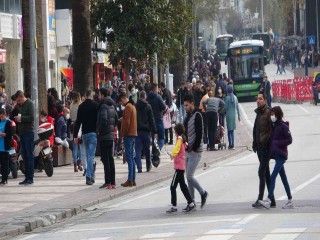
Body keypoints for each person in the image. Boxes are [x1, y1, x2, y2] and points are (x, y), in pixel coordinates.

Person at [259, 106, 294, 209]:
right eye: (271, 114)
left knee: (273, 175)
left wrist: (277, 143)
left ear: (278, 114)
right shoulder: (274, 126)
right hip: (276, 154)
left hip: (281, 155)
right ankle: (290, 200)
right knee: (283, 178)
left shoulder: (283, 126)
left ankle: (269, 199)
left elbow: (289, 140)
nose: (272, 116)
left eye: (273, 114)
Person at [183, 95, 208, 209]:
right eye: (184, 106)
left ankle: (203, 193)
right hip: (188, 150)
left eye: (187, 105)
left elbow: (199, 134)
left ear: (192, 104)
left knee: (189, 176)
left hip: (195, 151)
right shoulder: (187, 117)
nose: (185, 107)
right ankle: (191, 201)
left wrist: (194, 148)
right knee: (188, 177)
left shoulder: (198, 115)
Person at [252, 92, 276, 208]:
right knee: (266, 173)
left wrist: (266, 142)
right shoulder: (259, 113)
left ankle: (260, 199)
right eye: (257, 99)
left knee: (261, 172)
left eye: (260, 99)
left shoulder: (268, 112)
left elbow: (272, 131)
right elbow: (256, 129)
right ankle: (272, 199)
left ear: (265, 100)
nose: (258, 101)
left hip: (265, 148)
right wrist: (254, 143)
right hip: (259, 148)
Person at [166, 123, 195, 214]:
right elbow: (185, 147)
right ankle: (190, 203)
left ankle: (174, 206)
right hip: (182, 166)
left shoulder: (179, 139)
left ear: (177, 131)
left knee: (173, 186)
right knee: (183, 186)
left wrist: (172, 155)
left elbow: (177, 149)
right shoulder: (183, 139)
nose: (174, 133)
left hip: (179, 167)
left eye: (175, 131)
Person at [73, 89, 98, 185]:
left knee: (87, 155)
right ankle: (89, 176)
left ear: (85, 95)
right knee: (91, 155)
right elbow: (98, 120)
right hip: (93, 133)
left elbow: (78, 122)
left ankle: (90, 175)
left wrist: (75, 135)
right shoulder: (95, 106)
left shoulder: (81, 106)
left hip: (85, 133)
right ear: (91, 95)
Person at [97, 88, 118, 189]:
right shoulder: (112, 105)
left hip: (104, 136)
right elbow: (117, 119)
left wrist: (99, 130)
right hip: (111, 135)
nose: (98, 96)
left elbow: (104, 119)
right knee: (111, 159)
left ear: (102, 95)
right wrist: (112, 128)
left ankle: (108, 182)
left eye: (99, 94)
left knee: (105, 160)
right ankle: (113, 182)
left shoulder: (103, 106)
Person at [14, 90, 35, 185]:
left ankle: (30, 178)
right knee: (24, 156)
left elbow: (31, 117)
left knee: (29, 155)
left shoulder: (30, 104)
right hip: (22, 133)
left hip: (28, 132)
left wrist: (21, 118)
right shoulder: (21, 106)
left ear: (22, 97)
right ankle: (27, 177)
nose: (18, 103)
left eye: (19, 100)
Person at [119, 92, 137, 187]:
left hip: (128, 134)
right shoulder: (132, 106)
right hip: (133, 133)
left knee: (129, 157)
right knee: (132, 158)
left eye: (121, 102)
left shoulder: (128, 107)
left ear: (123, 99)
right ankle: (133, 179)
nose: (121, 104)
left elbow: (127, 122)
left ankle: (130, 179)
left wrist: (123, 133)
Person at [135, 91, 156, 173]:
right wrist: (155, 130)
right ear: (145, 97)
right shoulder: (148, 106)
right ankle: (148, 166)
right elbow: (151, 119)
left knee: (138, 150)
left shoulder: (135, 106)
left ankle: (139, 168)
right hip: (146, 131)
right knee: (147, 149)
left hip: (137, 130)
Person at [148, 83, 166, 150]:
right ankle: (157, 151)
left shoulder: (148, 97)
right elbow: (164, 107)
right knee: (161, 137)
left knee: (153, 137)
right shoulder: (158, 97)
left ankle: (154, 150)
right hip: (158, 118)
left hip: (150, 120)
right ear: (155, 88)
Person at [69, 91, 83, 172]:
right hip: (79, 125)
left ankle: (75, 165)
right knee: (80, 146)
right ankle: (80, 163)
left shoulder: (71, 105)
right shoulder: (80, 105)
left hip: (72, 125)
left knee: (74, 147)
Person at [225, 85, 240, 150]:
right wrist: (239, 116)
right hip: (234, 116)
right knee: (232, 131)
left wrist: (221, 112)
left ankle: (230, 144)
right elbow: (237, 107)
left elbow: (225, 108)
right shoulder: (235, 97)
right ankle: (233, 144)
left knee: (229, 131)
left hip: (228, 115)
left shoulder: (227, 98)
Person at [0, 109, 12, 185]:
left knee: (5, 163)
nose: (1, 117)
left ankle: (5, 179)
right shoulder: (0, 122)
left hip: (5, 146)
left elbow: (9, 134)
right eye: (0, 116)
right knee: (1, 163)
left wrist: (2, 134)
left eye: (2, 116)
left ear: (5, 114)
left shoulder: (8, 122)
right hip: (0, 146)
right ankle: (3, 178)